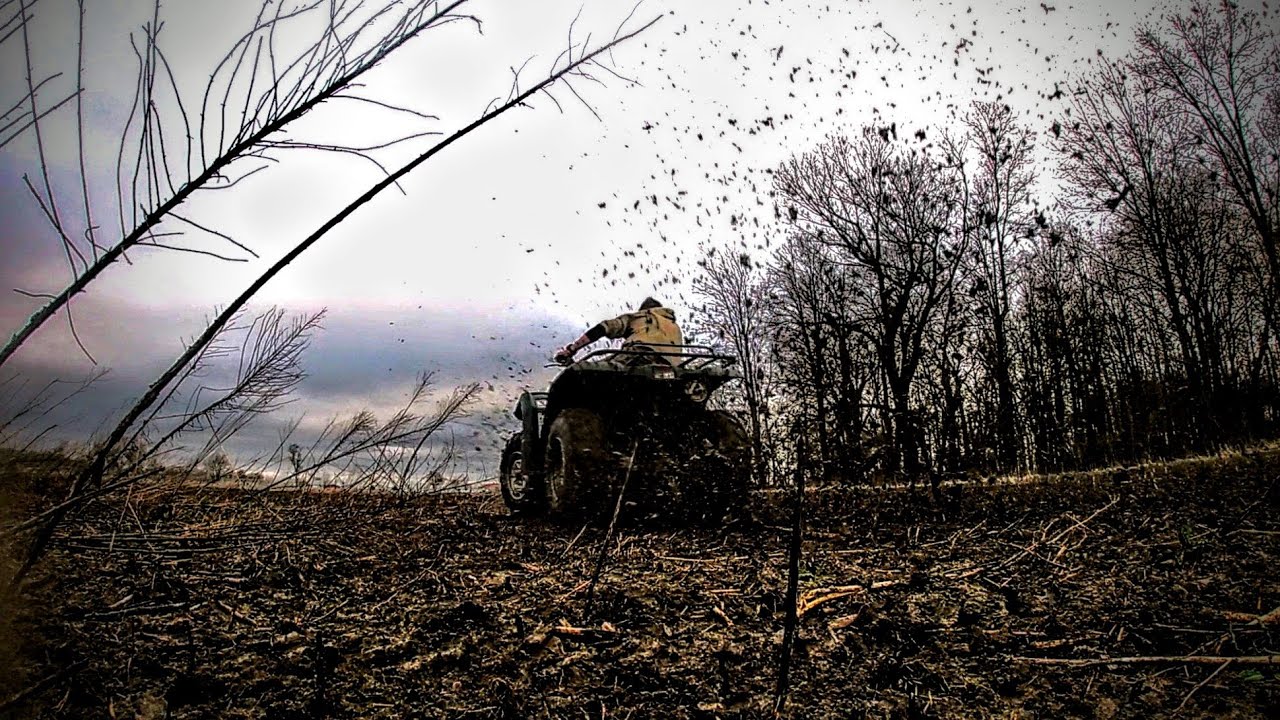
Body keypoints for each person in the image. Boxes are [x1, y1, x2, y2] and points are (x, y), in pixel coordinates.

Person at [554, 297, 683, 365]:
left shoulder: (639, 316)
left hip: (639, 356)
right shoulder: (674, 326)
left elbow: (604, 327)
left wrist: (572, 349)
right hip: (674, 365)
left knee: (582, 373)